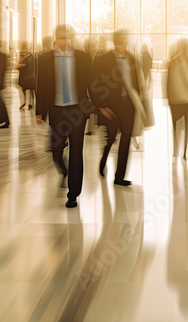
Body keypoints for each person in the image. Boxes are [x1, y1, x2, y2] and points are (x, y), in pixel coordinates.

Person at [36, 25, 92, 208]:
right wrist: (40, 111)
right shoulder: (45, 58)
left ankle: (73, 194)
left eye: (67, 37)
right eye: (61, 37)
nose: (64, 40)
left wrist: (98, 108)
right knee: (56, 148)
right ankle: (64, 168)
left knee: (76, 151)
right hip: (56, 109)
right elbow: (41, 85)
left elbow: (92, 83)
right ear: (55, 38)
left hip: (77, 109)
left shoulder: (82, 57)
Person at [92, 30, 142, 186]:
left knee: (126, 139)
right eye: (120, 39)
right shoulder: (102, 60)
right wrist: (100, 106)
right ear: (115, 40)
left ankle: (119, 177)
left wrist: (137, 101)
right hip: (111, 106)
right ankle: (104, 158)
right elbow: (94, 84)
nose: (123, 42)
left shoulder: (132, 58)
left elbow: (136, 82)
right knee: (112, 138)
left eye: (125, 39)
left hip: (128, 105)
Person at [166, 38, 188, 160]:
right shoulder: (185, 62)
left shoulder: (173, 62)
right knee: (187, 128)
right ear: (186, 48)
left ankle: (176, 151)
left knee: (175, 128)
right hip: (186, 100)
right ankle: (184, 153)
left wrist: (168, 99)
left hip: (175, 101)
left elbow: (169, 83)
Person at [16, 42, 37, 110]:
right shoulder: (32, 56)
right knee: (31, 91)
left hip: (26, 77)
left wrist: (17, 65)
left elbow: (19, 65)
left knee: (25, 90)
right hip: (31, 76)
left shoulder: (26, 58)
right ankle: (30, 104)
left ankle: (25, 103)